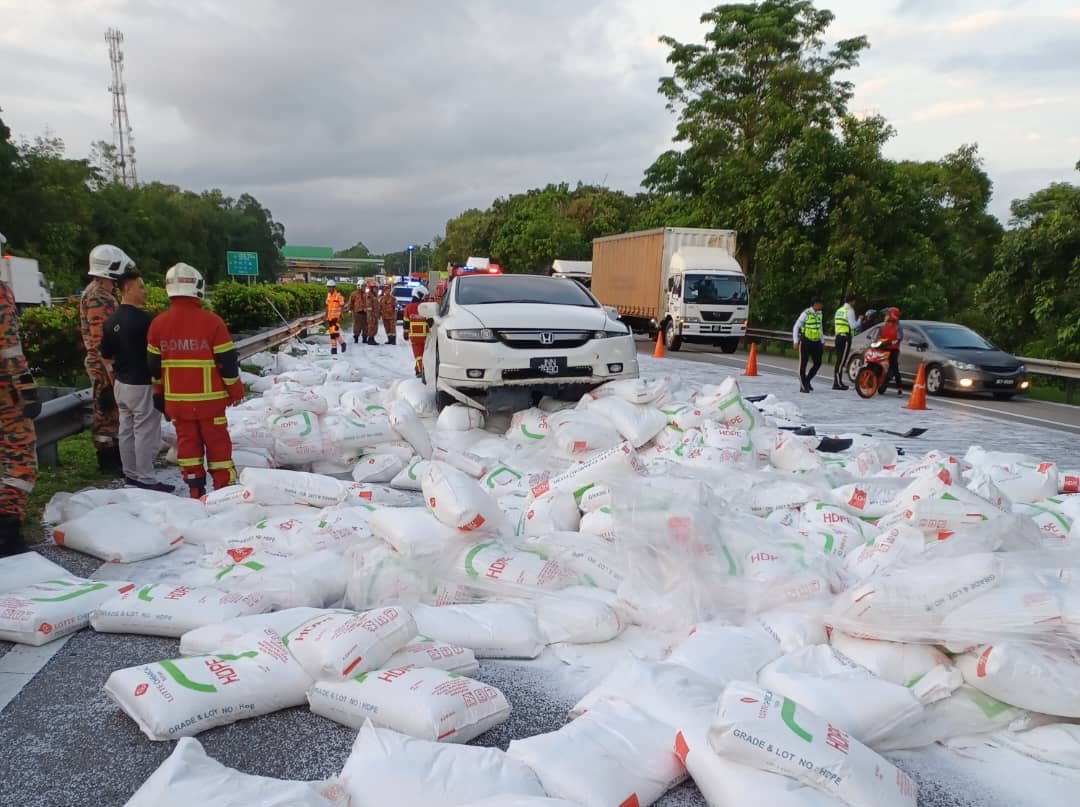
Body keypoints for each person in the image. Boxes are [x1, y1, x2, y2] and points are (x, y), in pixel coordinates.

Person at [147, 263, 243, 499]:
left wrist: (158, 395)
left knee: (187, 446)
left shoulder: (157, 324)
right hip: (210, 403)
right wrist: (236, 392)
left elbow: (153, 367)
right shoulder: (212, 323)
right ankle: (223, 492)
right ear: (198, 288)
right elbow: (228, 364)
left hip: (177, 402)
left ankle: (194, 490)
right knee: (218, 446)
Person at [100, 272, 172, 492]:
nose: (145, 291)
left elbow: (105, 355)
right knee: (145, 431)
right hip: (142, 383)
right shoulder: (146, 321)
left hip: (122, 384)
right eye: (141, 287)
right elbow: (159, 354)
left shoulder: (111, 321)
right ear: (128, 289)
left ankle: (130, 475)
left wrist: (113, 379)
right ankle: (146, 479)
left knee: (126, 430)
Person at [81, 244, 131, 473]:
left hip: (107, 362)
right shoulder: (98, 297)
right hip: (103, 364)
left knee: (113, 411)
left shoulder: (102, 294)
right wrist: (111, 372)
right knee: (106, 410)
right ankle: (107, 457)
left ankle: (114, 453)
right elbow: (102, 338)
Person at [0, 273, 39, 557]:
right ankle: (7, 532)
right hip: (5, 394)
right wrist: (26, 387)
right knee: (20, 460)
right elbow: (9, 346)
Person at [792, 297, 824, 394]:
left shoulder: (819, 313)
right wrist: (795, 341)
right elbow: (796, 327)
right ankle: (803, 386)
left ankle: (807, 380)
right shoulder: (806, 313)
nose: (821, 306)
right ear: (815, 304)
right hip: (806, 341)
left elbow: (820, 327)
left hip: (816, 342)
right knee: (803, 364)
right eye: (820, 304)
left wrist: (822, 341)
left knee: (818, 363)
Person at [832, 292, 858, 391]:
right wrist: (859, 321)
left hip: (838, 337)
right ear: (852, 301)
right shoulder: (850, 310)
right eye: (854, 301)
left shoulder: (839, 310)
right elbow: (853, 326)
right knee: (841, 361)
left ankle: (838, 381)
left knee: (839, 360)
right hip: (845, 338)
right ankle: (837, 383)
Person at [403, 287, 430, 378]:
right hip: (426, 336)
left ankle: (421, 372)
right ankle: (419, 369)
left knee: (418, 355)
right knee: (425, 354)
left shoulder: (408, 307)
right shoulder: (425, 307)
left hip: (415, 336)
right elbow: (431, 321)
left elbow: (406, 323)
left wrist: (405, 334)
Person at [878, 307, 904, 396]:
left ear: (892, 316)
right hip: (883, 349)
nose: (885, 317)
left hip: (893, 350)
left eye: (887, 315)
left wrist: (893, 342)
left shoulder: (897, 327)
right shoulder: (883, 326)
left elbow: (899, 338)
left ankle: (899, 387)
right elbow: (878, 337)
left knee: (894, 368)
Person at [325, 279, 346, 356]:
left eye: (330, 287)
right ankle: (335, 347)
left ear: (334, 287)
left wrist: (341, 314)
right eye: (328, 287)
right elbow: (327, 306)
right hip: (330, 317)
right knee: (332, 333)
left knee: (334, 332)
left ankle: (338, 346)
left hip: (336, 317)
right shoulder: (328, 295)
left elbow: (342, 305)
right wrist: (325, 316)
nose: (329, 289)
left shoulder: (338, 296)